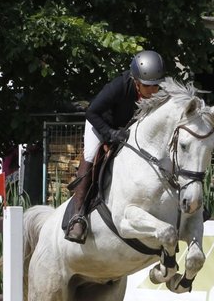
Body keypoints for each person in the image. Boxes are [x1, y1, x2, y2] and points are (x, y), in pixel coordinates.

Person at [64, 49, 166, 243]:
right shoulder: (119, 87)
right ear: (136, 81)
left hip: (127, 129)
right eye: (148, 86)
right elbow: (92, 112)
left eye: (156, 86)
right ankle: (78, 216)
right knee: (91, 154)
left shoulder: (157, 91)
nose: (153, 92)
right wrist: (109, 134)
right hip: (101, 124)